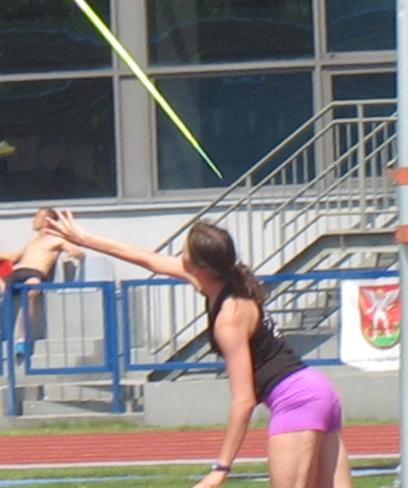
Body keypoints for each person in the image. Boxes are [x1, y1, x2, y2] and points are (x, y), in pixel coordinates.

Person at [46, 211, 352, 488]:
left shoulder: (229, 317)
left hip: (296, 401)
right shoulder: (218, 280)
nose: (179, 257)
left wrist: (221, 468)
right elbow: (144, 258)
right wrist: (84, 238)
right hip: (318, 391)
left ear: (200, 266)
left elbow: (244, 401)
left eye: (184, 252)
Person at [0, 207, 85, 362]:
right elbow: (13, 258)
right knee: (2, 283)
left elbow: (77, 252)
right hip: (16, 271)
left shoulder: (57, 240)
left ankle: (22, 340)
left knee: (32, 290)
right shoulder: (32, 242)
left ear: (47, 221)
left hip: (34, 272)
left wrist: (74, 254)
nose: (33, 220)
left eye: (37, 217)